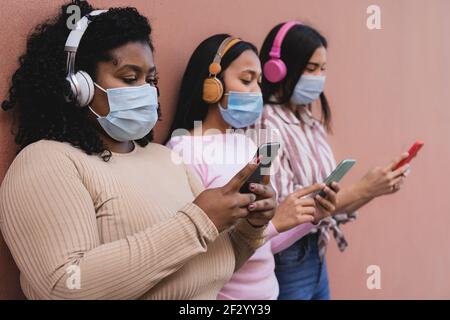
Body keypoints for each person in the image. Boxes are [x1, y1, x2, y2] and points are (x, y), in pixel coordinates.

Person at [0, 1, 276, 300]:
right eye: (131, 78)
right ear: (77, 86)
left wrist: (250, 226)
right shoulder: (46, 162)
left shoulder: (164, 158)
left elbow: (218, 263)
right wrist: (198, 221)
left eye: (152, 80)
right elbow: (64, 288)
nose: (147, 90)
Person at [166, 34, 338, 300]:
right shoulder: (183, 150)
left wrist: (306, 217)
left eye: (259, 82)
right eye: (246, 80)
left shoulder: (247, 144)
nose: (256, 91)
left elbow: (263, 246)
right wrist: (275, 221)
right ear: (213, 84)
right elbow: (196, 250)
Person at [254, 21, 411, 300]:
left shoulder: (310, 121)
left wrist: (376, 188)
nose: (318, 77)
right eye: (311, 68)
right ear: (277, 68)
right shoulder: (266, 122)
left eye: (323, 69)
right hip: (288, 258)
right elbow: (288, 210)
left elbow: (329, 205)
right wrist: (364, 188)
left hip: (317, 252)